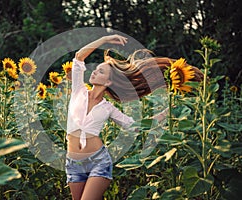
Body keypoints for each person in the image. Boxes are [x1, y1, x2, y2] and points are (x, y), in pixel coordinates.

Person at [65, 34, 203, 200]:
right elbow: (79, 57)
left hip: (98, 161)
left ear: (108, 82)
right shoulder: (78, 91)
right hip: (73, 162)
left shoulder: (108, 108)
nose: (94, 71)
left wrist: (164, 114)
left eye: (100, 71)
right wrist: (104, 40)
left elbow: (134, 126)